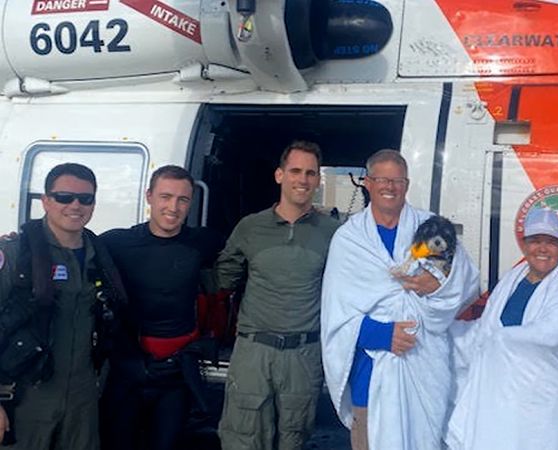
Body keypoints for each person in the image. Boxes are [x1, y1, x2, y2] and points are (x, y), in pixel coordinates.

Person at [321, 149, 480, 450]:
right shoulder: (349, 239)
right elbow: (335, 313)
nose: (389, 187)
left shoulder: (430, 228)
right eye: (382, 179)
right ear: (367, 183)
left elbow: (468, 279)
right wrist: (382, 334)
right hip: (371, 374)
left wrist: (435, 285)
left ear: (407, 185)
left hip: (425, 364)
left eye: (397, 180)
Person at [216, 141, 339, 450]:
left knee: (294, 439)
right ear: (279, 175)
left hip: (303, 353)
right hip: (254, 350)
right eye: (295, 171)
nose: (303, 179)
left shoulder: (333, 231)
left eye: (311, 173)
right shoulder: (250, 228)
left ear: (317, 180)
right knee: (242, 439)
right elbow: (224, 278)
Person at [0, 163, 126, 450]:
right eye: (64, 197)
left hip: (82, 398)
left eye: (86, 198)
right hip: (26, 394)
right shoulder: (16, 254)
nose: (76, 205)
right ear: (45, 201)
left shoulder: (101, 258)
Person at [99, 165, 224, 450]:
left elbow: (247, 248)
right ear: (149, 196)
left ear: (191, 202)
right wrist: (17, 243)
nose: (173, 207)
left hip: (175, 374)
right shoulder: (117, 243)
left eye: (182, 199)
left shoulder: (202, 242)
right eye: (165, 197)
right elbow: (70, 246)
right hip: (128, 369)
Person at [446, 208, 558, 450]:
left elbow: (551, 335)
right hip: (501, 404)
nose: (542, 249)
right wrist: (443, 333)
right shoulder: (513, 278)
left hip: (545, 407)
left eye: (551, 242)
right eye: (535, 241)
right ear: (524, 245)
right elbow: (485, 329)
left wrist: (495, 340)